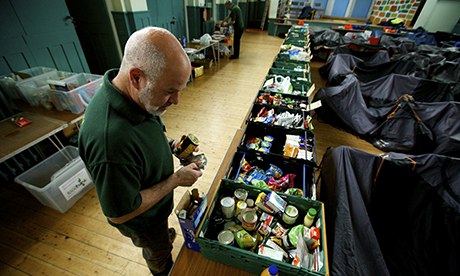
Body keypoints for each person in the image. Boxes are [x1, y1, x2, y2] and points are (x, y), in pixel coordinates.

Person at [78, 27, 203, 275]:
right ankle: (163, 267)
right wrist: (176, 180)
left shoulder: (136, 97)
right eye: (170, 91)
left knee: (161, 236)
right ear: (136, 77)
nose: (177, 101)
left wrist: (170, 147)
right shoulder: (110, 143)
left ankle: (162, 238)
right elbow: (121, 213)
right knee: (157, 251)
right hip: (144, 220)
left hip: (157, 205)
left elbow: (145, 135)